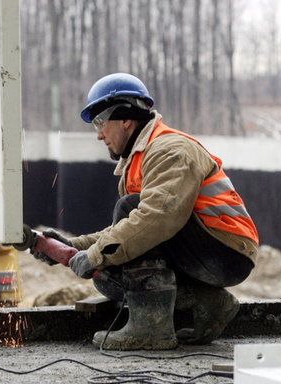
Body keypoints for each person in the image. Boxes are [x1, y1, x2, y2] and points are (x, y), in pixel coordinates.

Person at [39, 72, 259, 350]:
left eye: (100, 122)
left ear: (126, 119)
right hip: (204, 249)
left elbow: (156, 219)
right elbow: (128, 230)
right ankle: (207, 303)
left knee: (127, 218)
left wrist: (94, 255)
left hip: (227, 251)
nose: (98, 135)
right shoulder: (141, 159)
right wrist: (73, 245)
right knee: (108, 276)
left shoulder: (169, 149)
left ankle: (151, 331)